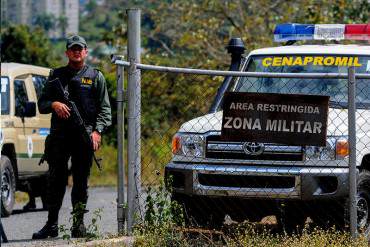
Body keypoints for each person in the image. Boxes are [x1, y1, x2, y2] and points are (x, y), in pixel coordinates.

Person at [32, 35, 112, 239]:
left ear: (86, 52)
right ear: (67, 52)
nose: (76, 51)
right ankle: (51, 225)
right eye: (73, 49)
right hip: (60, 137)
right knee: (55, 181)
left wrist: (97, 131)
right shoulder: (55, 75)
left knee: (80, 183)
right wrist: (54, 104)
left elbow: (105, 110)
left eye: (80, 48)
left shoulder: (96, 76)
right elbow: (42, 104)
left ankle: (79, 225)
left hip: (83, 138)